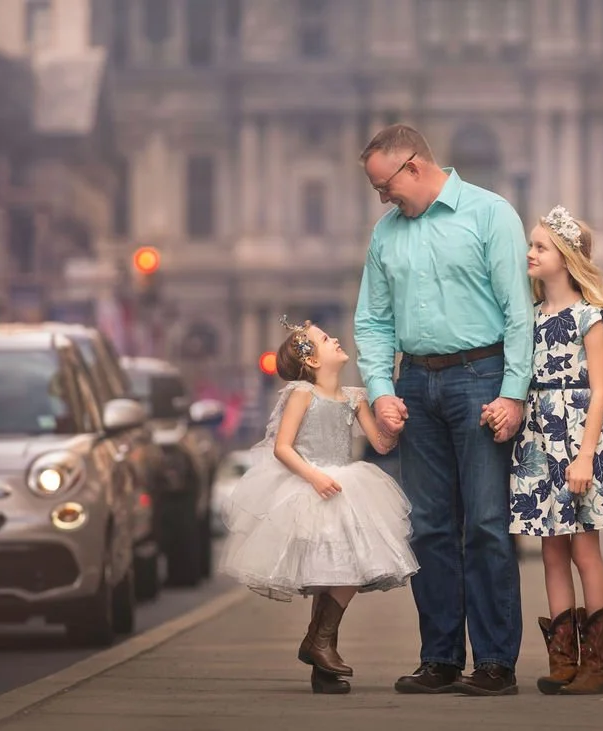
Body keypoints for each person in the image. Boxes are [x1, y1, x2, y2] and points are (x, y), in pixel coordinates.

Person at [354, 124, 534, 696]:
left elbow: (518, 311)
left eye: (385, 187)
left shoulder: (490, 214)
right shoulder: (386, 235)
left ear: (413, 166)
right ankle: (440, 659)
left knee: (484, 523)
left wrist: (514, 392)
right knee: (429, 528)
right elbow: (374, 321)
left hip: (481, 377)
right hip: (415, 385)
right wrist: (382, 390)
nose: (383, 199)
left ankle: (496, 663)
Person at [489, 205, 603, 696]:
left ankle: (598, 665)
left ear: (565, 256)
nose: (530, 253)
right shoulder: (529, 316)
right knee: (552, 553)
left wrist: (585, 457)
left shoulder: (589, 316)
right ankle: (563, 659)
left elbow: (601, 391)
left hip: (581, 438)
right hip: (539, 440)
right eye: (532, 245)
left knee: (585, 553)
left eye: (540, 246)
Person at [220, 316, 419, 695]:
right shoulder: (301, 395)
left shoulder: (355, 397)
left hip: (348, 485)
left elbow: (379, 444)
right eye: (326, 340)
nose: (336, 341)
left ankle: (320, 649)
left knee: (341, 570)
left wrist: (391, 427)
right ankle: (320, 646)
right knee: (338, 571)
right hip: (315, 487)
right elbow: (283, 447)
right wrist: (313, 476)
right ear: (312, 362)